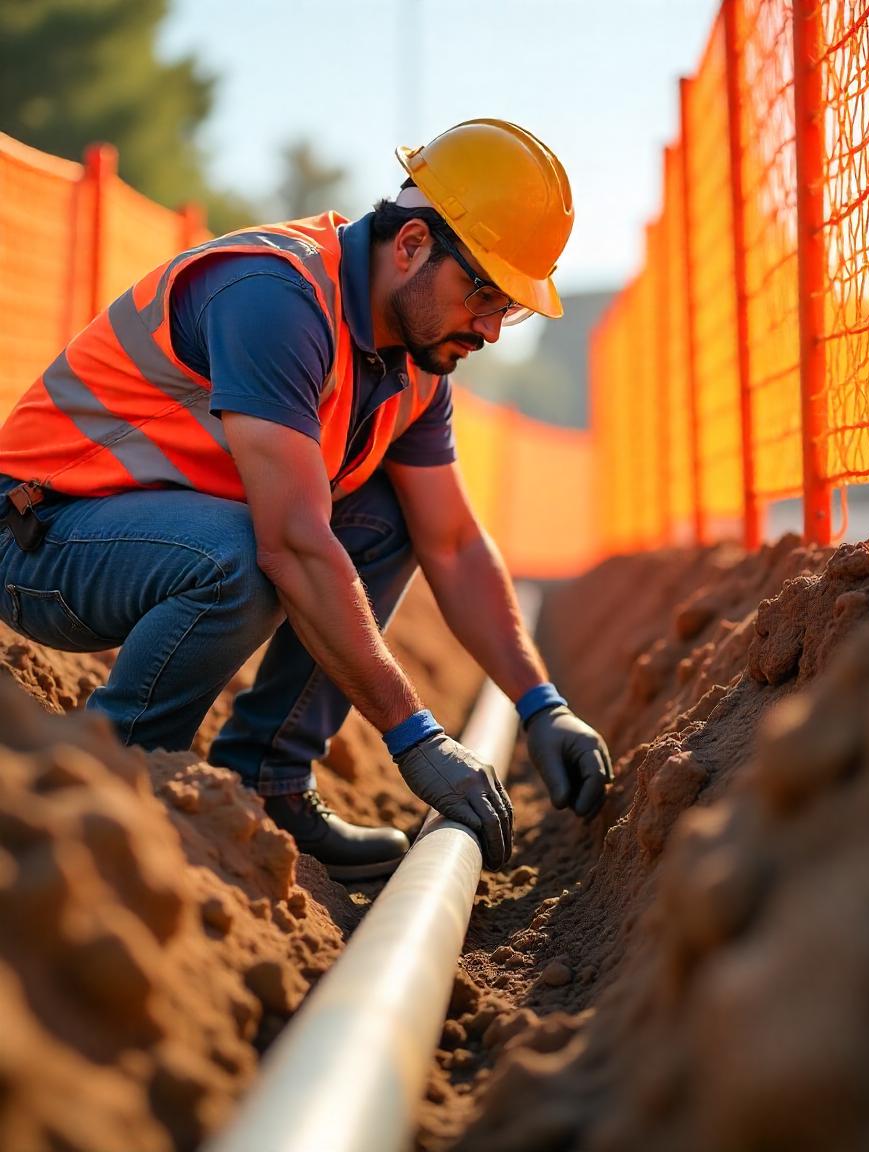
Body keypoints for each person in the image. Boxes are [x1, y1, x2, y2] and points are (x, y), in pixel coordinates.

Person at [0, 119, 612, 881]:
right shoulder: (277, 298)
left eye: (510, 307)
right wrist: (415, 738)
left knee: (387, 520)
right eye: (482, 290)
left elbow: (450, 542)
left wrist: (539, 703)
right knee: (252, 559)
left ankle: (270, 781)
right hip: (42, 534)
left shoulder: (419, 364)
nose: (489, 327)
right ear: (412, 245)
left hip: (157, 536)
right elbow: (288, 543)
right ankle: (110, 780)